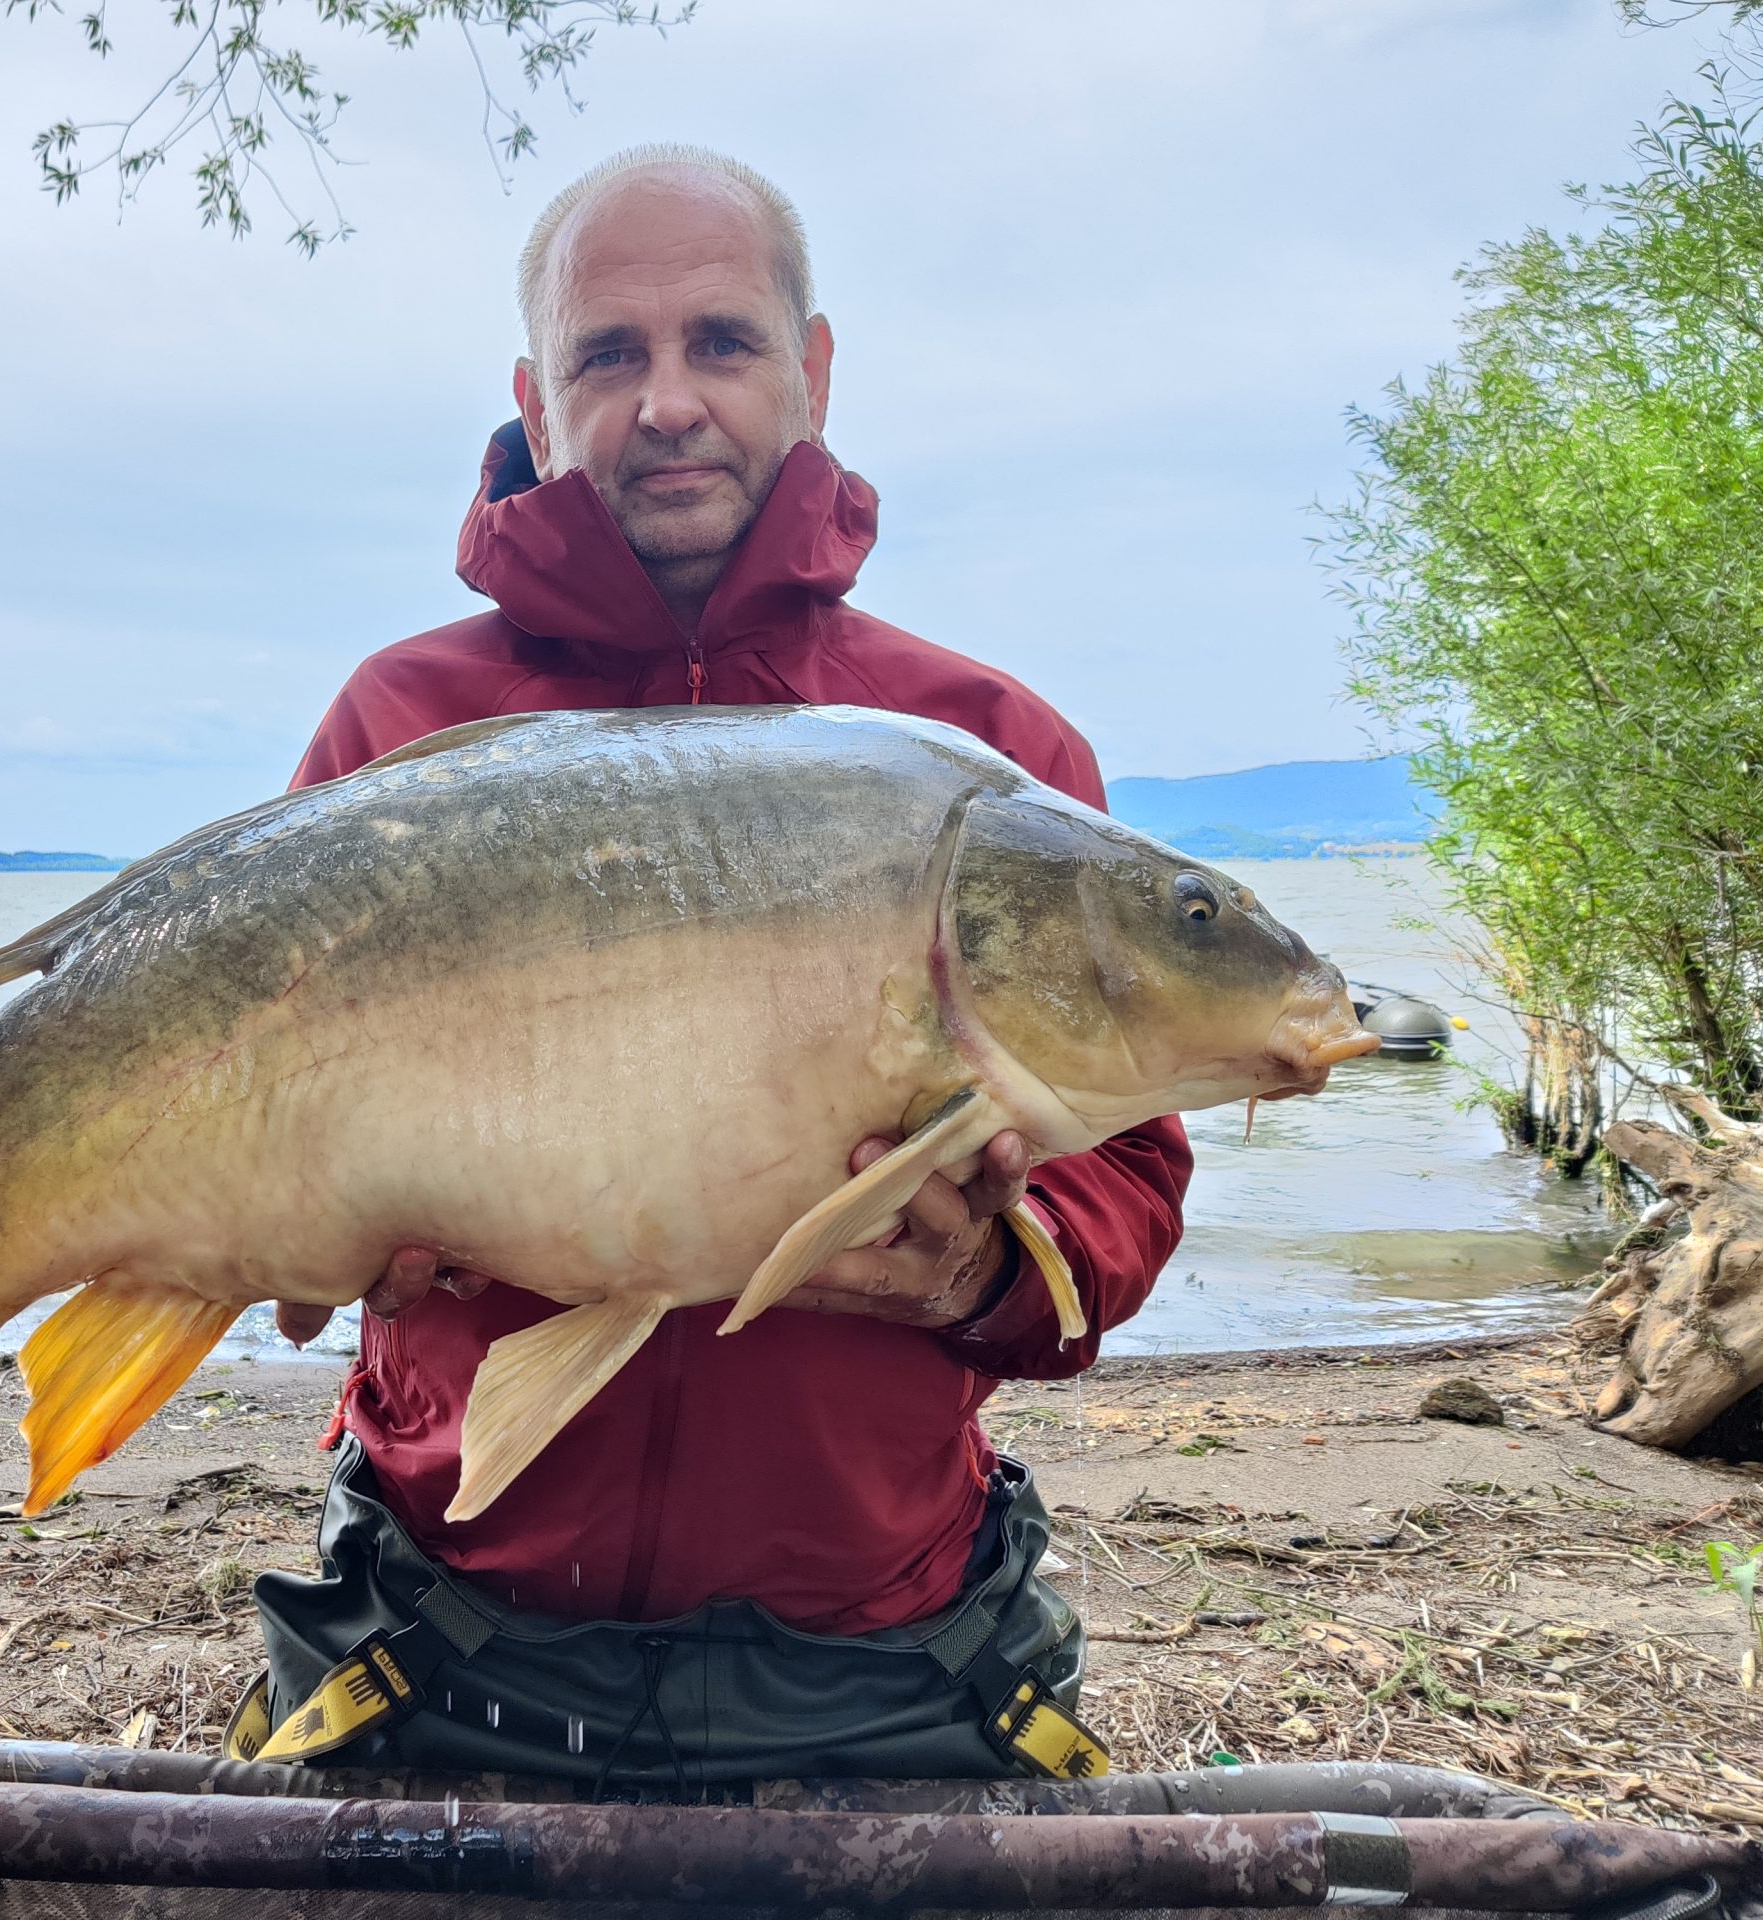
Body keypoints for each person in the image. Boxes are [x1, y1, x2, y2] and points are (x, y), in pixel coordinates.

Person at [235, 146, 1190, 1788]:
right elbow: (251, 1113)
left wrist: (980, 1273)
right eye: (612, 356)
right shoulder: (398, 728)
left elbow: (1130, 1183)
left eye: (723, 343)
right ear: (538, 403)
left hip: (881, 1655)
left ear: (811, 373)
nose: (669, 402)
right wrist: (290, 1230)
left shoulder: (988, 752)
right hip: (444, 1630)